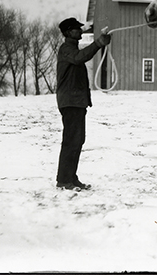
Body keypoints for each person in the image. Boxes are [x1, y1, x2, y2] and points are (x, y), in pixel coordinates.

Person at [55, 17, 111, 191]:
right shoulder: (66, 49)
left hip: (77, 102)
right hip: (70, 102)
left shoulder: (71, 50)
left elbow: (81, 57)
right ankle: (64, 180)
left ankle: (70, 177)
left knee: (77, 140)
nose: (80, 31)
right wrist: (99, 43)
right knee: (71, 141)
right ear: (68, 32)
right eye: (77, 29)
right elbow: (80, 58)